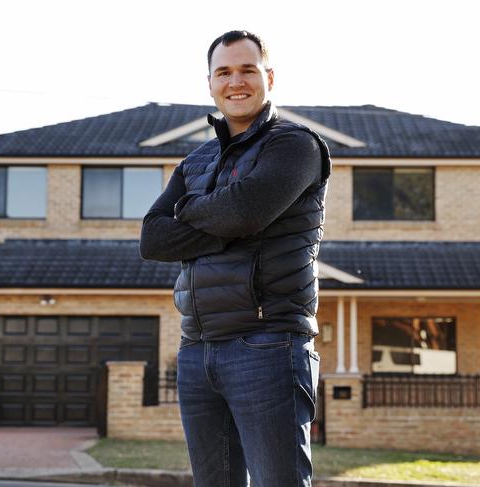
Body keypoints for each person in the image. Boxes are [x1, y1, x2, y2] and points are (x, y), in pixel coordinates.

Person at [140, 30, 331, 487]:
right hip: (197, 348)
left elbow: (245, 212)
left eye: (247, 69)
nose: (236, 81)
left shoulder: (295, 145)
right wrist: (223, 222)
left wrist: (188, 211)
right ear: (210, 83)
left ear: (268, 77)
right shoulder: (195, 161)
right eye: (224, 72)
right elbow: (153, 239)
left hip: (267, 344)